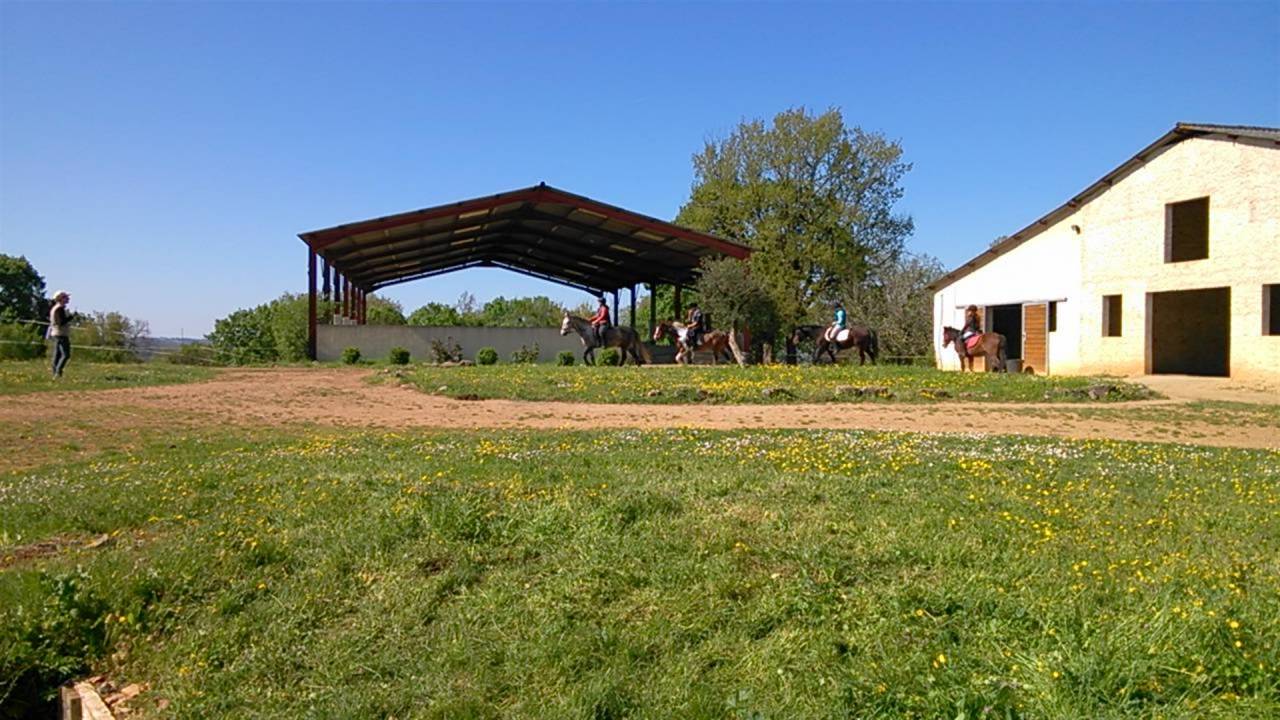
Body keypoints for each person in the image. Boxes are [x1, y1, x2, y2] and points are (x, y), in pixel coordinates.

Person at [48, 290, 72, 378]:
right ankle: (58, 372)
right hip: (61, 333)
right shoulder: (59, 309)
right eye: (65, 297)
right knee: (66, 354)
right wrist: (70, 318)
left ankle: (55, 372)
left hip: (56, 333)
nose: (68, 299)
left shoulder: (55, 308)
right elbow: (61, 322)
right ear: (61, 298)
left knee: (57, 354)